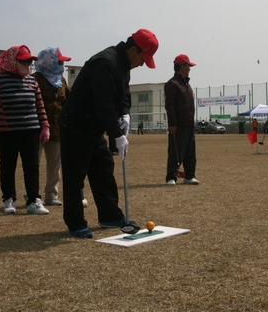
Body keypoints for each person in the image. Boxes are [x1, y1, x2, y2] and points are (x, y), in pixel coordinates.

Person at [59, 29, 159, 239]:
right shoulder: (104, 63)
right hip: (76, 126)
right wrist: (117, 135)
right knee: (75, 177)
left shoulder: (124, 65)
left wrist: (125, 114)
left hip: (94, 127)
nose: (142, 63)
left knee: (104, 171)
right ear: (133, 49)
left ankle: (110, 216)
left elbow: (122, 96)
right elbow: (103, 104)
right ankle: (76, 224)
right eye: (143, 57)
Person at [0, 45, 51, 215]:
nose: (28, 65)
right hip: (7, 132)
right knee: (7, 166)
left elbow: (40, 106)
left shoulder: (32, 81)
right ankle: (9, 199)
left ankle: (34, 200)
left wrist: (45, 126)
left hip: (31, 131)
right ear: (13, 61)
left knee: (32, 167)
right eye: (23, 61)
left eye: (29, 62)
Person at [33, 47, 72, 207]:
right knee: (33, 164)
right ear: (49, 61)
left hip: (57, 129)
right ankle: (33, 195)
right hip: (37, 128)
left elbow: (68, 101)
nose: (62, 64)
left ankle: (51, 195)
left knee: (55, 164)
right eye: (60, 61)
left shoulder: (61, 80)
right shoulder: (35, 78)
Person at [165, 54, 199, 186]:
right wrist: (172, 124)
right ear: (181, 67)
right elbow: (170, 105)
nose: (190, 68)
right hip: (178, 125)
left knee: (190, 152)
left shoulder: (187, 85)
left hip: (189, 123)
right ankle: (171, 176)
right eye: (188, 66)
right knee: (175, 151)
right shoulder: (172, 84)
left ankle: (189, 175)